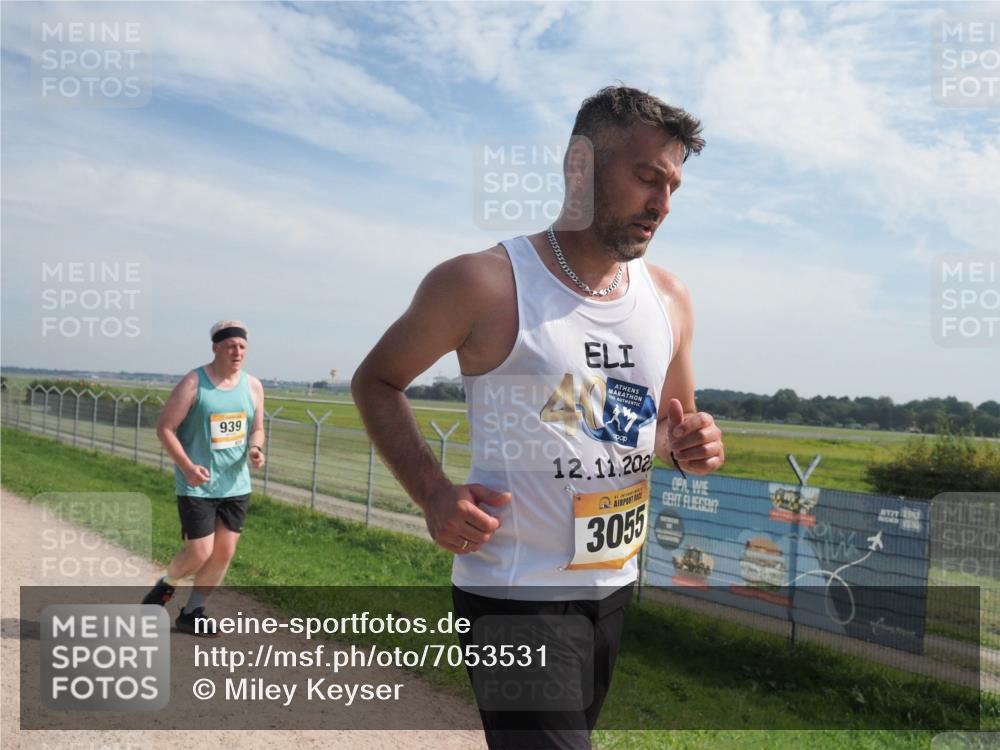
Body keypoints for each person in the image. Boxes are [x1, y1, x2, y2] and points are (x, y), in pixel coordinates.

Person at [352, 86, 724, 748]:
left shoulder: (669, 297)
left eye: (673, 186)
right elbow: (377, 381)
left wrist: (692, 444)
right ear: (580, 166)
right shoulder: (484, 282)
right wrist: (432, 493)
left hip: (612, 586)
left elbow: (668, 427)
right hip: (513, 595)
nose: (662, 205)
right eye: (646, 178)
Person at [141, 320, 266, 637]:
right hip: (197, 483)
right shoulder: (194, 383)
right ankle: (165, 588)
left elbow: (257, 427)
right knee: (199, 551)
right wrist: (186, 467)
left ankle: (193, 613)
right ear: (215, 348)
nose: (237, 352)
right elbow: (165, 428)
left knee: (224, 552)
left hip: (235, 485)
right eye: (230, 346)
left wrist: (255, 448)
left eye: (242, 346)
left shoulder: (252, 386)